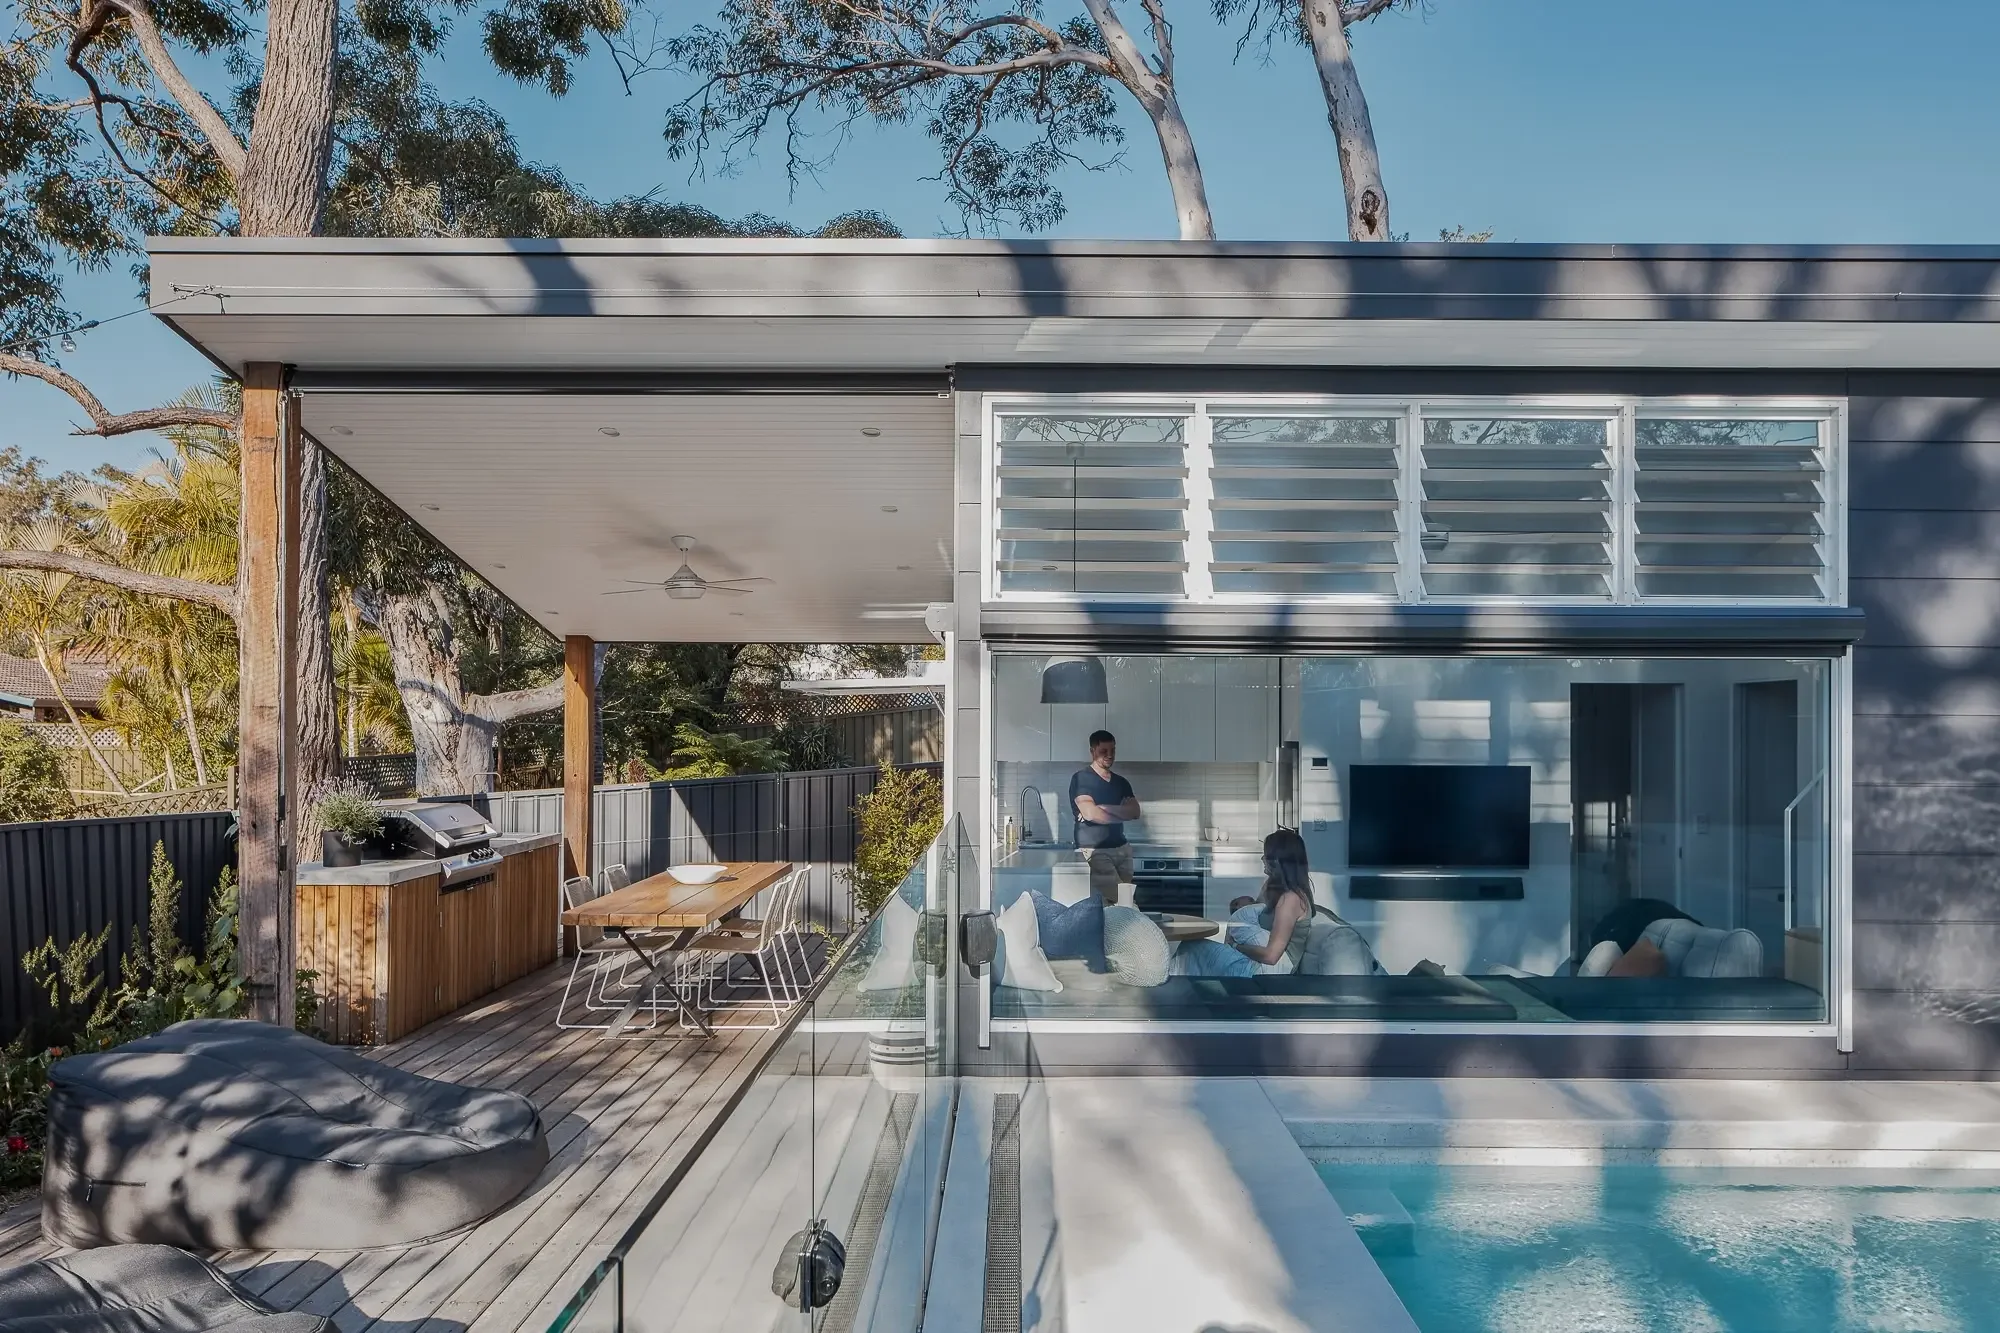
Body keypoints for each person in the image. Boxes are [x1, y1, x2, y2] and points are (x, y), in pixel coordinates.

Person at [1176, 829, 1316, 978]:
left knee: (1190, 950)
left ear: (1277, 860)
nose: (1262, 859)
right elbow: (1253, 916)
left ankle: (1166, 994)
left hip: (1269, 970)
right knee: (1190, 948)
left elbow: (1271, 956)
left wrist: (1237, 947)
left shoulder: (1291, 899)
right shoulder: (1273, 888)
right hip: (1254, 960)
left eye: (1266, 855)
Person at [1069, 729, 1140, 902]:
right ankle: (1143, 928)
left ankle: (1120, 929)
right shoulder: (1081, 779)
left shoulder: (1121, 782)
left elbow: (1135, 811)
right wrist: (1120, 812)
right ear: (1092, 751)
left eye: (1113, 750)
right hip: (1096, 851)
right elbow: (1090, 813)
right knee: (1124, 901)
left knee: (1114, 906)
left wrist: (1102, 808)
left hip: (1122, 849)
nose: (1110, 755)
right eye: (1104, 751)